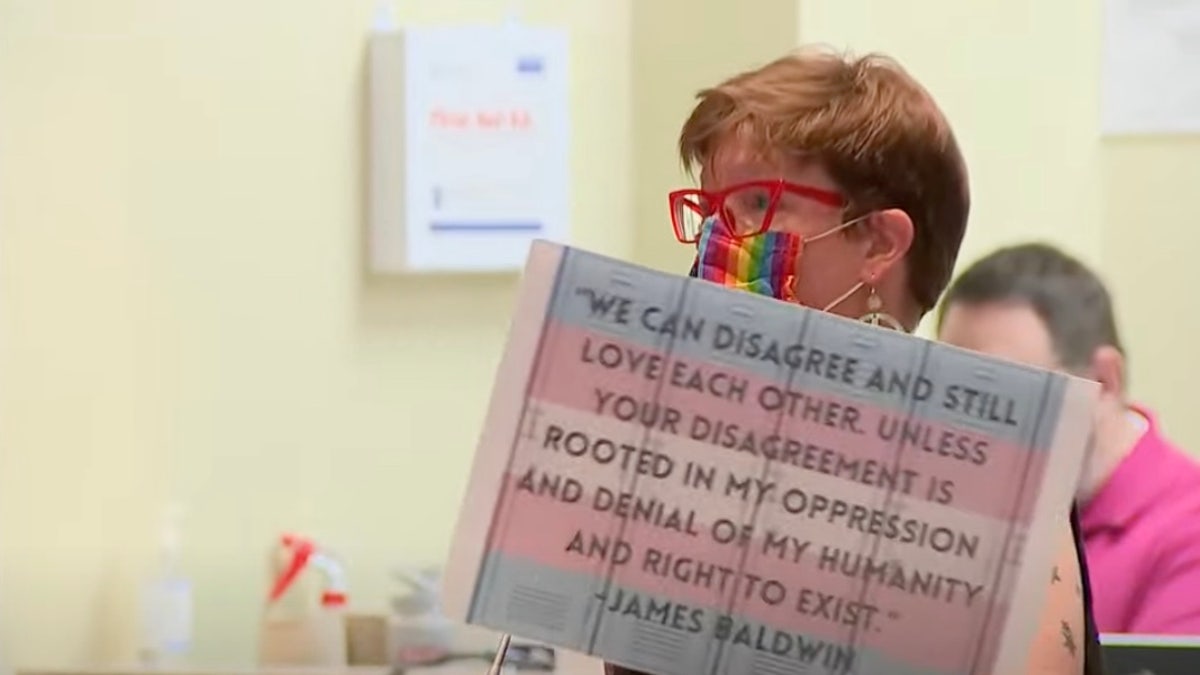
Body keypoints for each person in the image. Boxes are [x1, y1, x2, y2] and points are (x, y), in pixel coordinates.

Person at [604, 48, 1102, 675]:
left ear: (878, 243)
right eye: (711, 211)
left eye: (757, 203)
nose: (722, 239)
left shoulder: (1002, 467)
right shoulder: (689, 462)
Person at [937, 242, 1200, 635]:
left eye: (1009, 395)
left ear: (1104, 381)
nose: (973, 427)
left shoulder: (1187, 532)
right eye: (954, 392)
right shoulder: (959, 507)